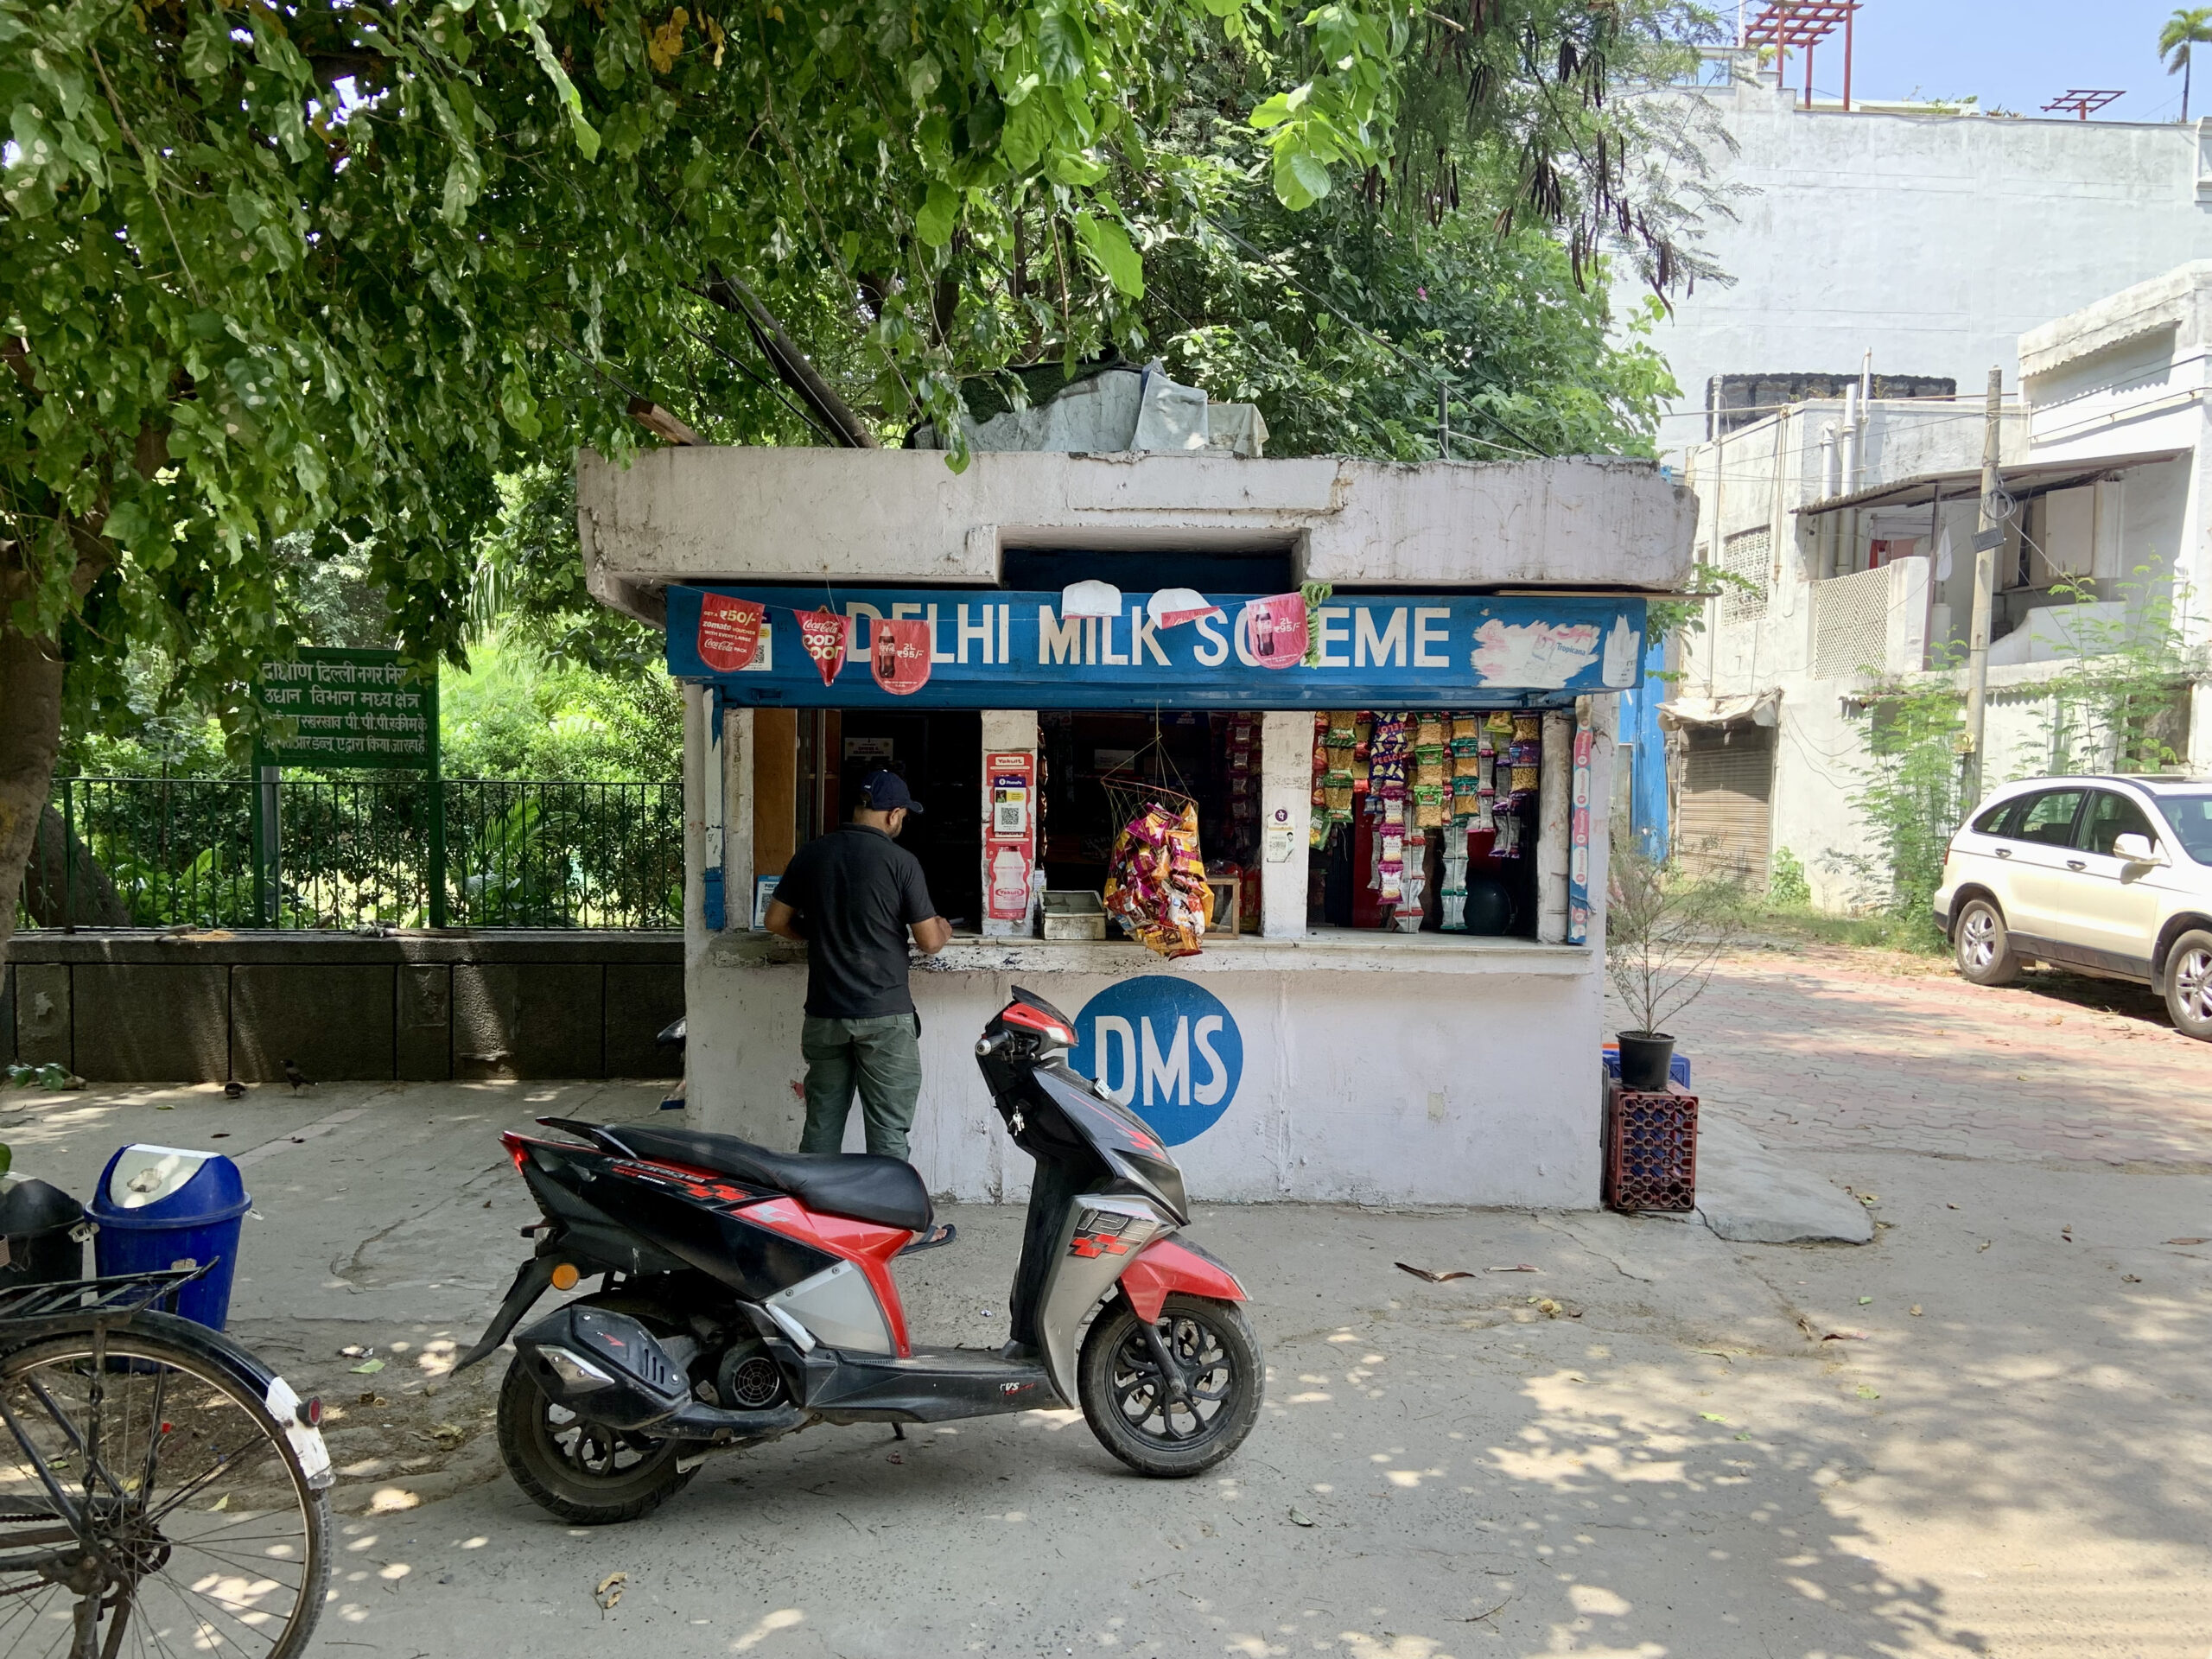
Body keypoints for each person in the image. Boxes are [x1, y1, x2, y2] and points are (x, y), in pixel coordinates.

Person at [763, 771, 952, 1162]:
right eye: (903, 816)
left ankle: (813, 1216)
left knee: (820, 1128)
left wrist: (815, 935)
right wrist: (945, 927)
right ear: (893, 814)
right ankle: (887, 1216)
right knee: (887, 1133)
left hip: (826, 1013)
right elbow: (930, 941)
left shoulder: (811, 854)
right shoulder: (901, 862)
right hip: (884, 1015)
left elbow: (776, 921)